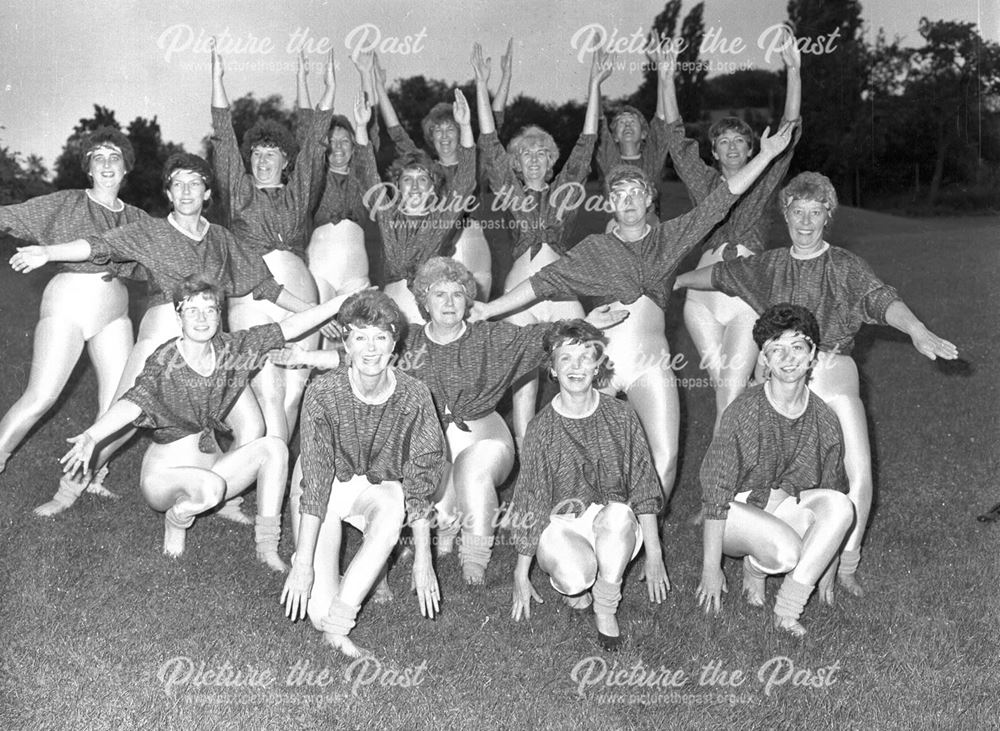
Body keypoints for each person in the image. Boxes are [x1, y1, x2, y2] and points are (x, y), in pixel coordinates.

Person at [472, 122, 795, 501]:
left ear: (648, 200)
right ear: (610, 204)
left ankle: (645, 534)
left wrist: (768, 154)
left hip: (651, 362)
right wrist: (489, 308)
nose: (627, 201)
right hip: (603, 363)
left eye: (635, 193)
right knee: (585, 454)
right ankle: (589, 523)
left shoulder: (669, 238)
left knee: (666, 455)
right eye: (619, 194)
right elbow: (542, 282)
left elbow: (722, 199)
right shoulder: (596, 249)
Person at [675, 171, 959, 595]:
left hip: (830, 371)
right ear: (785, 215)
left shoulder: (844, 265)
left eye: (815, 212)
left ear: (828, 216)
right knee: (764, 471)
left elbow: (881, 299)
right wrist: (672, 282)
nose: (805, 222)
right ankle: (759, 543)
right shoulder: (769, 264)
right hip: (781, 379)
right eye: (797, 211)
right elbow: (720, 276)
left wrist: (917, 329)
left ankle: (845, 562)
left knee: (856, 472)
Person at [273, 256, 627, 585]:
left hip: (485, 434)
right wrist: (305, 355)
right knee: (423, 498)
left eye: (457, 293)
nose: (448, 301)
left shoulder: (493, 338)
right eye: (438, 293)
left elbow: (545, 336)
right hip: (431, 441)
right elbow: (354, 355)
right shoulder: (406, 339)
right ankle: (423, 537)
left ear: (468, 300)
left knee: (473, 469)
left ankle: (475, 556)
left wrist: (585, 324)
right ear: (423, 302)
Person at [9, 152, 316, 517]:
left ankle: (222, 495)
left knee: (252, 425)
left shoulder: (222, 239)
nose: (186, 190)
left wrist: (315, 314)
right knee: (119, 427)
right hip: (161, 343)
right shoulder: (151, 232)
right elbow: (99, 245)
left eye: (195, 183)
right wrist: (48, 251)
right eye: (178, 183)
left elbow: (265, 286)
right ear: (169, 193)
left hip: (214, 354)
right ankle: (68, 490)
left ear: (207, 193)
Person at [58, 274, 350, 566]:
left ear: (219, 315)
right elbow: (134, 402)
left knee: (275, 447)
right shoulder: (167, 359)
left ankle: (267, 549)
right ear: (178, 316)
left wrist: (337, 303)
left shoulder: (229, 349)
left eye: (209, 309)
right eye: (192, 310)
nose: (201, 318)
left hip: (213, 471)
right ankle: (176, 519)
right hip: (163, 479)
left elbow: (287, 328)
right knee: (210, 489)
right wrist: (93, 435)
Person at [280, 290, 445, 658]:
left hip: (376, 487)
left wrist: (423, 559)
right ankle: (324, 581)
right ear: (346, 345)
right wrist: (304, 562)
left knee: (395, 504)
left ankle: (341, 627)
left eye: (380, 338)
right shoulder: (324, 391)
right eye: (360, 338)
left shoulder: (416, 395)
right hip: (321, 489)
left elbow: (420, 483)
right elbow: (316, 482)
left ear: (394, 345)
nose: (371, 349)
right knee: (317, 612)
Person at [0, 128, 148, 508]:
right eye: (98, 157)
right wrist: (44, 252)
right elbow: (9, 216)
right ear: (88, 168)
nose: (106, 164)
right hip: (67, 303)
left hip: (115, 314)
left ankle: (91, 475)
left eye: (114, 156)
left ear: (126, 167)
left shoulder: (137, 218)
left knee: (117, 408)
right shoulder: (67, 202)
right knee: (41, 396)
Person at [473, 42, 609, 448]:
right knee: (523, 379)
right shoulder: (510, 192)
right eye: (526, 154)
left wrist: (593, 84)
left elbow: (586, 142)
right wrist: (482, 84)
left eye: (541, 153)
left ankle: (587, 440)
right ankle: (525, 450)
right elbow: (488, 141)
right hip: (520, 292)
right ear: (517, 164)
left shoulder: (566, 191)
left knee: (585, 354)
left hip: (561, 285)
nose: (533, 158)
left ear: (552, 160)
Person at [666, 28, 802, 434]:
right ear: (714, 151)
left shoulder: (763, 178)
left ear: (751, 149)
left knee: (731, 390)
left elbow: (790, 130)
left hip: (745, 294)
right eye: (722, 141)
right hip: (700, 300)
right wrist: (667, 76)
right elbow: (675, 139)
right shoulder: (705, 184)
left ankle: (725, 484)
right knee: (726, 389)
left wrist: (793, 71)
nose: (730, 147)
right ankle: (750, 468)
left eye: (739, 142)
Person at [508, 320, 668, 651]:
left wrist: (654, 552)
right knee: (575, 577)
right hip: (562, 523)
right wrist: (521, 573)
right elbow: (531, 500)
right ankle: (579, 585)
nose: (576, 367)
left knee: (620, 514)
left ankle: (606, 606)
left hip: (611, 522)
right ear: (552, 370)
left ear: (598, 366)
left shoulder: (620, 415)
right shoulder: (541, 429)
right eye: (566, 358)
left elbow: (643, 485)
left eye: (585, 357)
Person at [697, 303, 853, 636]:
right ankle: (756, 567)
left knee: (842, 505)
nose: (788, 358)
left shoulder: (824, 418)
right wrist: (712, 568)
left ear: (813, 356)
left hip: (783, 512)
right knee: (786, 554)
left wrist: (830, 563)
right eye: (775, 349)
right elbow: (715, 493)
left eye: (797, 347)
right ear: (764, 360)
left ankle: (787, 610)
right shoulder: (744, 410)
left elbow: (831, 491)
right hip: (733, 516)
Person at [211, 43, 334, 441]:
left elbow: (315, 145)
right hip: (253, 296)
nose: (263, 160)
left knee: (295, 388)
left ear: (286, 160)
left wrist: (327, 90)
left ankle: (271, 469)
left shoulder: (300, 191)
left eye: (272, 153)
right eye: (257, 154)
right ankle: (270, 474)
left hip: (301, 294)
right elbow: (224, 137)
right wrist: (217, 78)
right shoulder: (238, 191)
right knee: (269, 385)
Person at [372, 42, 513, 300]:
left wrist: (505, 79)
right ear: (430, 136)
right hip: (435, 244)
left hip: (471, 237)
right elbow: (396, 132)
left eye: (450, 129)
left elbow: (494, 124)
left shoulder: (476, 160)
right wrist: (379, 87)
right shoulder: (425, 167)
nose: (445, 135)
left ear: (461, 131)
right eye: (438, 130)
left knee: (473, 309)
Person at [351, 87, 476, 323]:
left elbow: (466, 179)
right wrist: (360, 128)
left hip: (430, 311)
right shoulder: (388, 215)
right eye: (408, 180)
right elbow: (367, 173)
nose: (416, 186)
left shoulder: (442, 218)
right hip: (390, 309)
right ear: (397, 186)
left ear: (432, 187)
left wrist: (466, 126)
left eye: (423, 180)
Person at [299, 51, 380, 337]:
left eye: (345, 141)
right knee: (318, 332)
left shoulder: (361, 176)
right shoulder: (313, 177)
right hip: (319, 265)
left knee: (358, 332)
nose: (338, 147)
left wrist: (365, 74)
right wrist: (302, 80)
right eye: (331, 142)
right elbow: (307, 131)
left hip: (356, 269)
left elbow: (371, 127)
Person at [594, 33, 671, 222]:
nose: (627, 123)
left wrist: (662, 70)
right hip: (617, 233)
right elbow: (598, 120)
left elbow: (662, 116)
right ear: (615, 137)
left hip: (650, 230)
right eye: (621, 121)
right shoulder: (609, 160)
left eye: (633, 120)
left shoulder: (652, 157)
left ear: (645, 133)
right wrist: (595, 80)